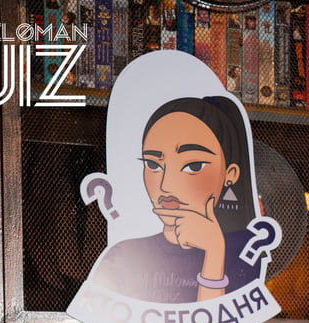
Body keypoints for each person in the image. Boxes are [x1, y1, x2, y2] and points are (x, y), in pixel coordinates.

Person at [90, 95, 261, 304]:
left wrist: (215, 253)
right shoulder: (124, 256)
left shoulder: (247, 254)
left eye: (193, 166)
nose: (166, 186)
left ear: (230, 174)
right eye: (153, 165)